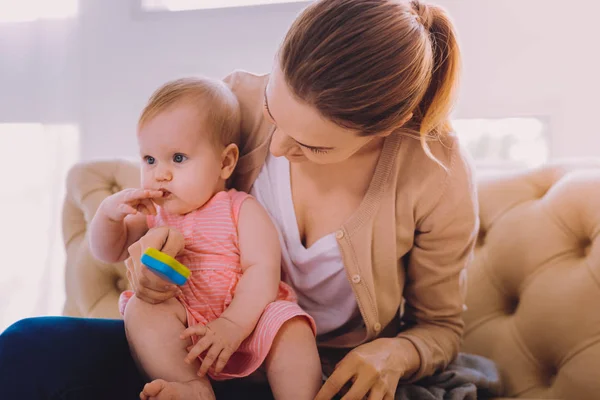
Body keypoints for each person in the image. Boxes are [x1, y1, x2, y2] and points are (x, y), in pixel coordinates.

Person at [0, 1, 479, 399]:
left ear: (389, 127)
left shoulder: (436, 175)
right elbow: (170, 205)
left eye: (314, 147)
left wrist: (393, 353)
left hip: (317, 369)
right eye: (275, 108)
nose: (276, 149)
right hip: (199, 344)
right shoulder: (233, 103)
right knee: (30, 346)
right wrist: (148, 274)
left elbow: (439, 328)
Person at [88, 77, 321, 399]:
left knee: (290, 324)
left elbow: (262, 271)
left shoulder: (241, 208)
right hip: (183, 331)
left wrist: (233, 325)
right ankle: (191, 387)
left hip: (248, 325)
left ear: (225, 162)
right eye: (149, 160)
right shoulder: (152, 213)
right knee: (142, 310)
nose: (160, 174)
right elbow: (108, 251)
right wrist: (108, 215)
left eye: (178, 158)